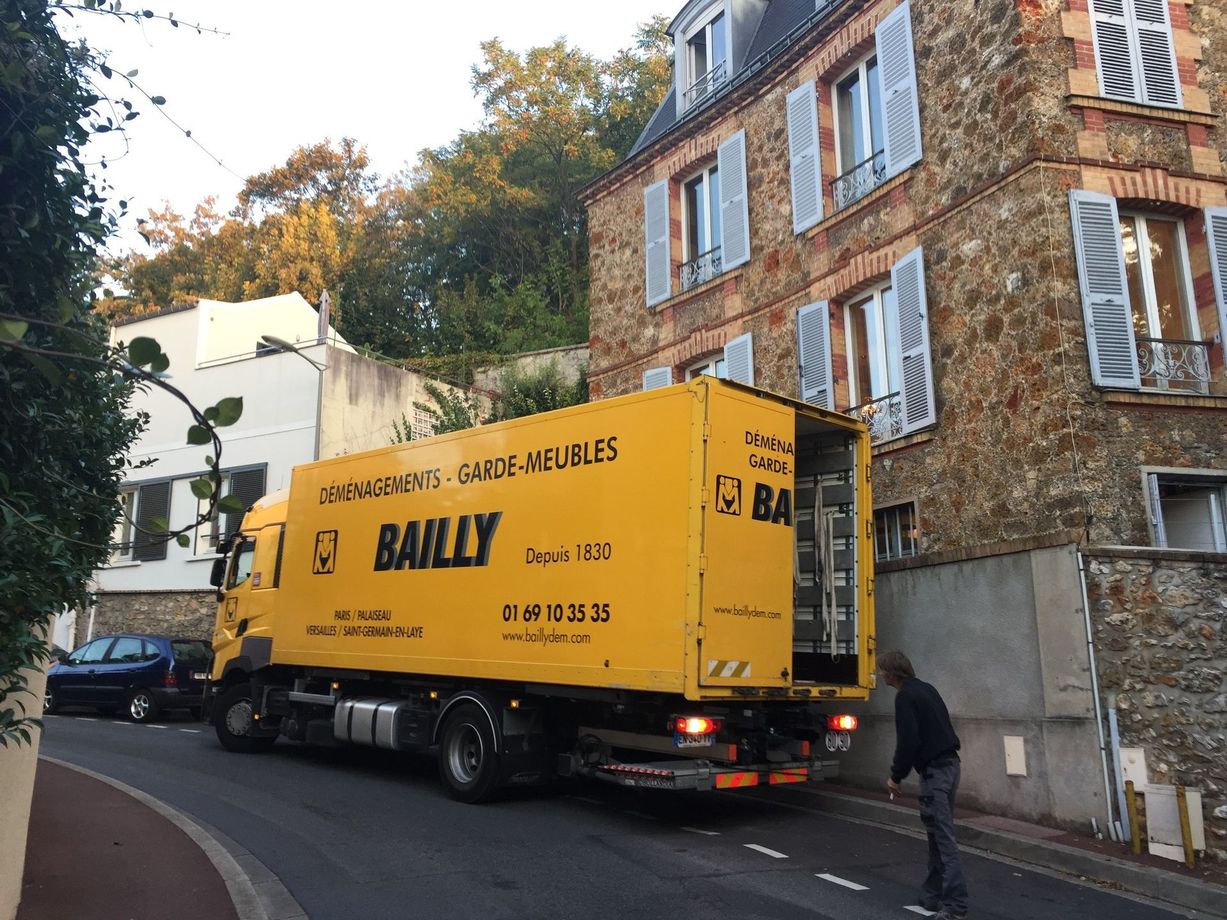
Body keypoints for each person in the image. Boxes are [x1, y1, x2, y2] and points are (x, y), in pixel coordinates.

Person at [880, 649, 968, 920]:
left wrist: (896, 776)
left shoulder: (905, 697)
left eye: (881, 670)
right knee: (935, 833)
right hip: (951, 765)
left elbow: (909, 741)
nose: (879, 674)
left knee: (942, 838)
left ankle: (955, 906)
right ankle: (932, 895)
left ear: (891, 673)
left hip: (934, 773)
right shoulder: (927, 689)